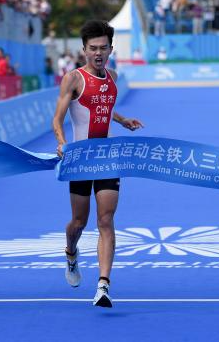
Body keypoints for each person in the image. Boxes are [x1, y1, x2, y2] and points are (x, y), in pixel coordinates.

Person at [52, 20, 144, 308]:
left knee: (105, 220)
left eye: (103, 48)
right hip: (80, 160)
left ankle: (103, 285)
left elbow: (103, 105)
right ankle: (71, 252)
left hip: (107, 158)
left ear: (111, 49)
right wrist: (61, 142)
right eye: (93, 48)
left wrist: (122, 120)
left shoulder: (113, 77)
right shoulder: (73, 79)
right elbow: (57, 119)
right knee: (78, 222)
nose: (98, 53)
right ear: (84, 50)